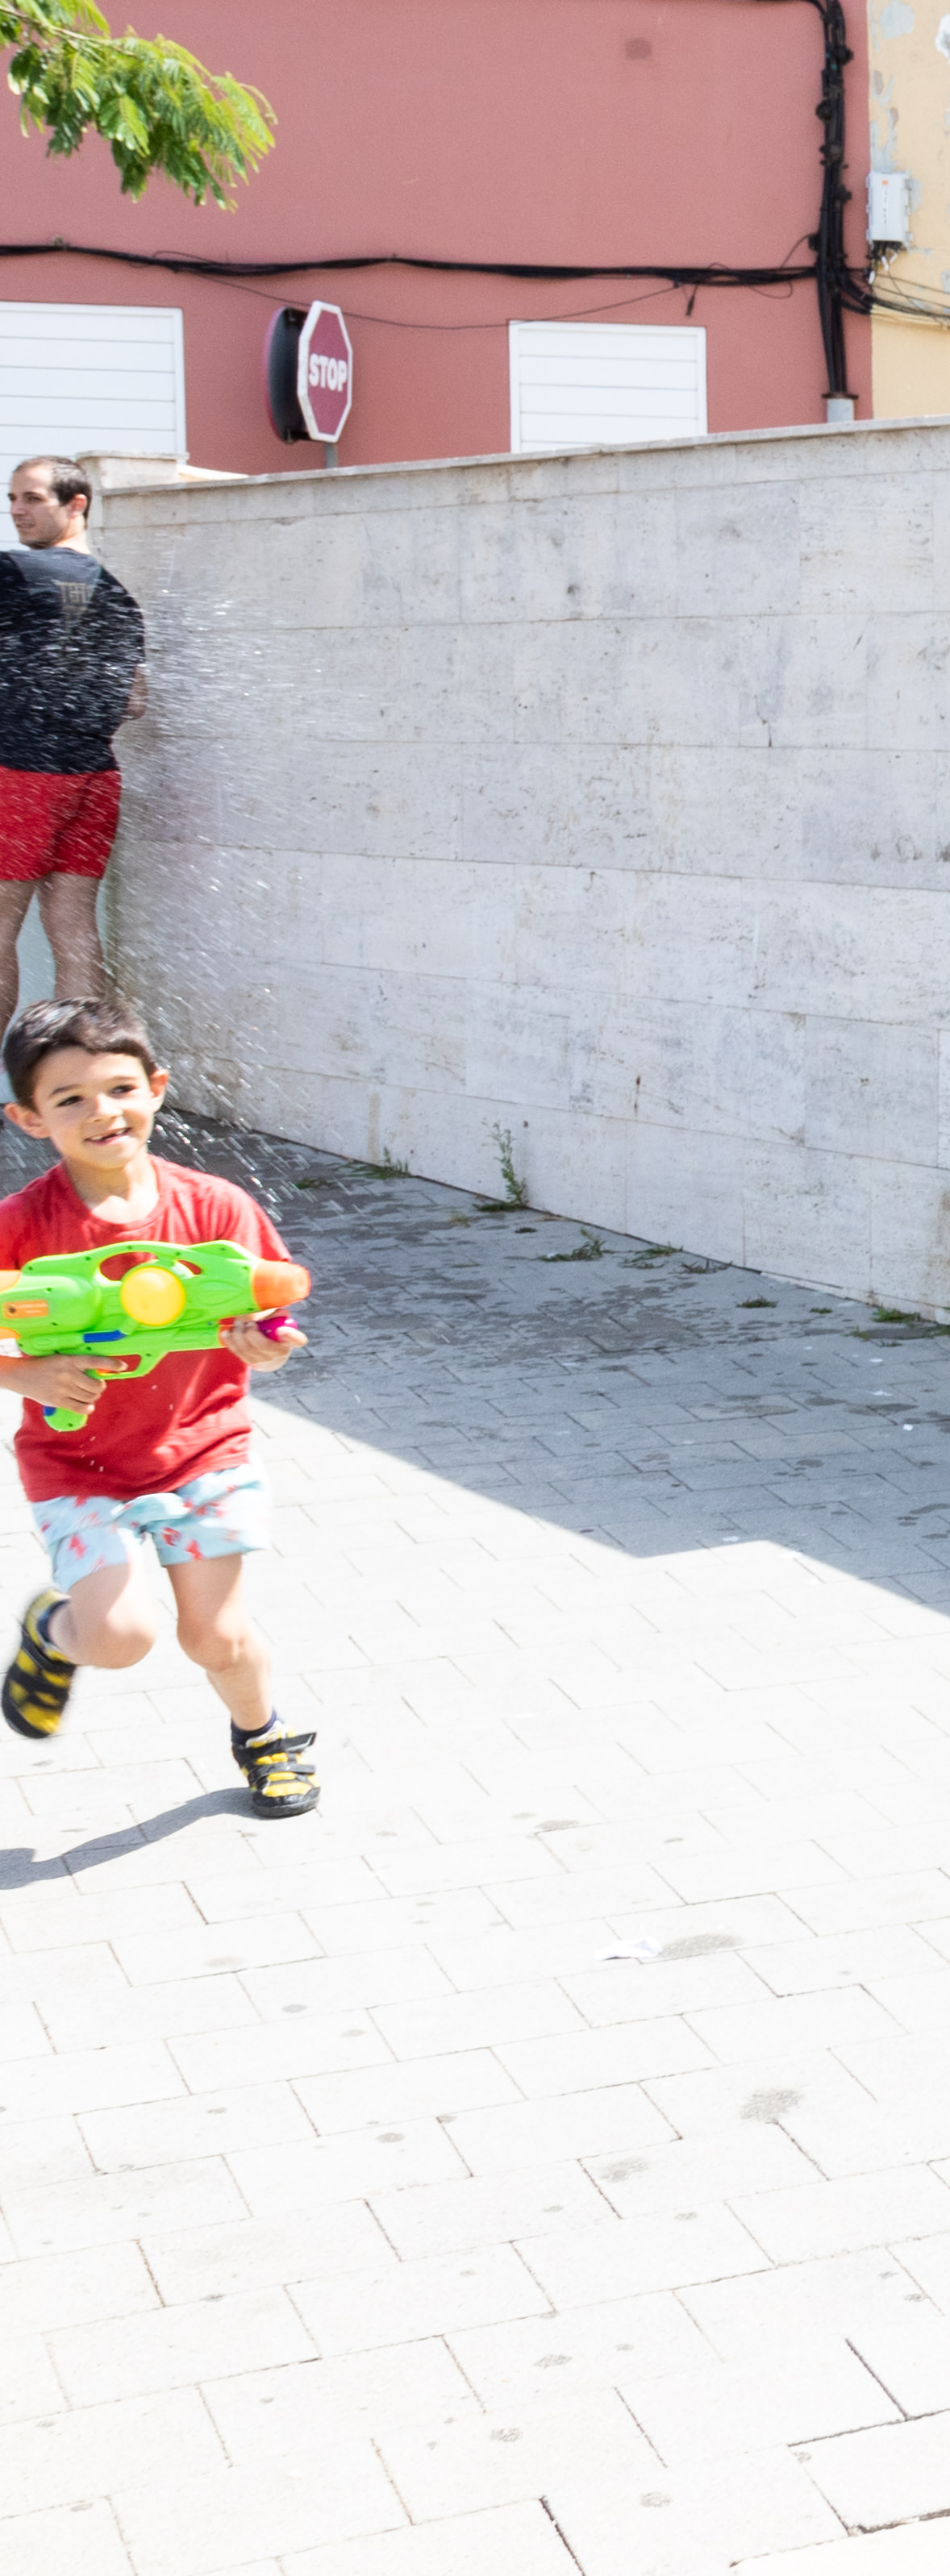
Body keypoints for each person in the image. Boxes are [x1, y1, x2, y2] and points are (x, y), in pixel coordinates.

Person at [0, 1000, 316, 1816]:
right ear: (28, 1118)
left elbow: (273, 1315)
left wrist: (269, 1344)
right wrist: (26, 1376)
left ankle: (264, 1734)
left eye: (119, 1088)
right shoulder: (20, 1226)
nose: (102, 1111)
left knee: (215, 1635)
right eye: (69, 1098)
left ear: (157, 1088)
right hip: (77, 1466)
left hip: (204, 1453)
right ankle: (54, 1630)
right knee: (118, 1638)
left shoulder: (215, 1209)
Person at [1, 459, 150, 1025]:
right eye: (12, 498)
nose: (17, 510)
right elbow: (135, 702)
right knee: (73, 927)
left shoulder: (12, 571)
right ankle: (82, 1065)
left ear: (76, 504)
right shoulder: (118, 596)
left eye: (32, 498)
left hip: (21, 773)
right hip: (94, 777)